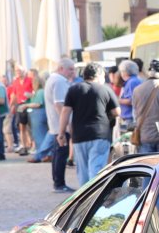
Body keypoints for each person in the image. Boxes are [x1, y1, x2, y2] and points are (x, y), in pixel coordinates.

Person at [59, 61, 118, 186]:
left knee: (83, 172)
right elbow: (116, 111)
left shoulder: (74, 89)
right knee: (96, 169)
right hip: (100, 134)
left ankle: (85, 195)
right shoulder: (105, 89)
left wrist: (61, 133)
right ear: (99, 75)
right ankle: (95, 195)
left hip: (79, 136)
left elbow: (65, 112)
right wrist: (108, 116)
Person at [43, 56, 75, 191]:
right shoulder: (59, 81)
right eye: (70, 69)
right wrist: (66, 124)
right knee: (61, 153)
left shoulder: (53, 79)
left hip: (56, 124)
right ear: (61, 68)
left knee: (58, 153)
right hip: (60, 125)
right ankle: (59, 183)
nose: (73, 72)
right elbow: (59, 105)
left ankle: (58, 182)